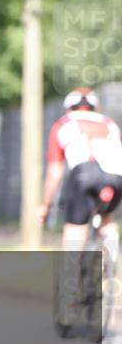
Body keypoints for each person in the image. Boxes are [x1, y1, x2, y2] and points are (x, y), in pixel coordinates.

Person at [40, 88, 121, 261]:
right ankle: (111, 262)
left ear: (69, 108)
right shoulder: (109, 123)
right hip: (116, 176)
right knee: (107, 220)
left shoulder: (63, 123)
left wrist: (45, 205)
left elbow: (55, 170)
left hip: (84, 173)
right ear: (95, 108)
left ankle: (70, 275)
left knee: (75, 228)